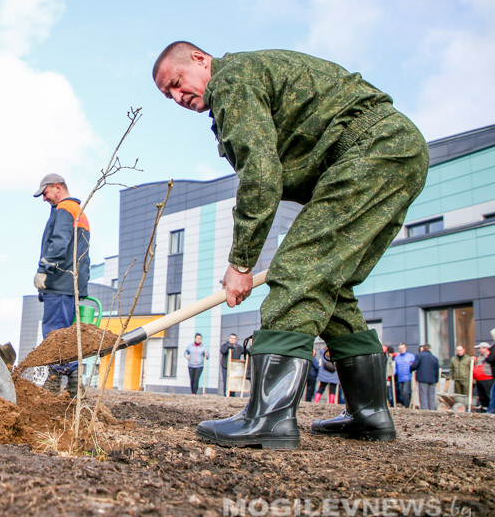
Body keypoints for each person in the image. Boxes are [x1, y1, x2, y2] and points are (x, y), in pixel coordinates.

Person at [154, 42, 429, 449]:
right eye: (168, 95)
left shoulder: (232, 81)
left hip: (370, 153)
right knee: (328, 287)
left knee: (297, 273)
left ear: (200, 59)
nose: (177, 97)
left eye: (176, 84)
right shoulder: (243, 83)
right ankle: (369, 415)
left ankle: (269, 419)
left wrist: (241, 263)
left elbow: (262, 177)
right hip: (389, 153)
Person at [33, 173, 91, 396]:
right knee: (66, 333)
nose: (44, 198)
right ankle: (75, 383)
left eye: (45, 193)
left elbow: (59, 242)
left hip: (60, 282)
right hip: (72, 282)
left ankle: (55, 381)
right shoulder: (79, 211)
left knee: (55, 333)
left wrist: (44, 269)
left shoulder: (64, 209)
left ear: (57, 187)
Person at [410, 344, 440, 410]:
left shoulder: (419, 356)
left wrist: (411, 368)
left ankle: (425, 410)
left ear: (423, 349)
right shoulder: (435, 358)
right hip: (432, 379)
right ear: (430, 349)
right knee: (431, 396)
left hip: (422, 378)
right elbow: (437, 370)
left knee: (423, 395)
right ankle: (432, 410)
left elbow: (414, 366)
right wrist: (436, 380)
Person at [394, 343, 416, 408]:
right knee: (401, 393)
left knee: (406, 392)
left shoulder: (411, 356)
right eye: (400, 348)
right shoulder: (397, 358)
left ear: (405, 348)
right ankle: (405, 405)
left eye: (402, 348)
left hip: (408, 378)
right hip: (400, 378)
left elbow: (413, 366)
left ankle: (407, 406)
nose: (401, 350)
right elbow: (395, 367)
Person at [473, 343, 493, 412]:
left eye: (480, 348)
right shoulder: (479, 357)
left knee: (489, 395)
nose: (479, 350)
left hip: (487, 378)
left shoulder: (490, 356)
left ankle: (491, 409)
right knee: (482, 396)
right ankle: (484, 408)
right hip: (479, 379)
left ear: (485, 348)